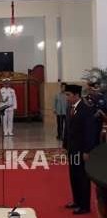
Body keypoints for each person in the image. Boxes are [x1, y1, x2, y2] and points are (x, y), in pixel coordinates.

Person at [63, 84, 98, 215]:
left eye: (68, 95)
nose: (66, 98)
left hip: (82, 150)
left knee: (82, 177)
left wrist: (87, 151)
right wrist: (65, 146)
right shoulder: (70, 108)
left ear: (76, 95)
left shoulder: (85, 109)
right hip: (72, 149)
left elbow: (90, 132)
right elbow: (67, 129)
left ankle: (84, 206)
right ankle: (76, 201)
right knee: (73, 176)